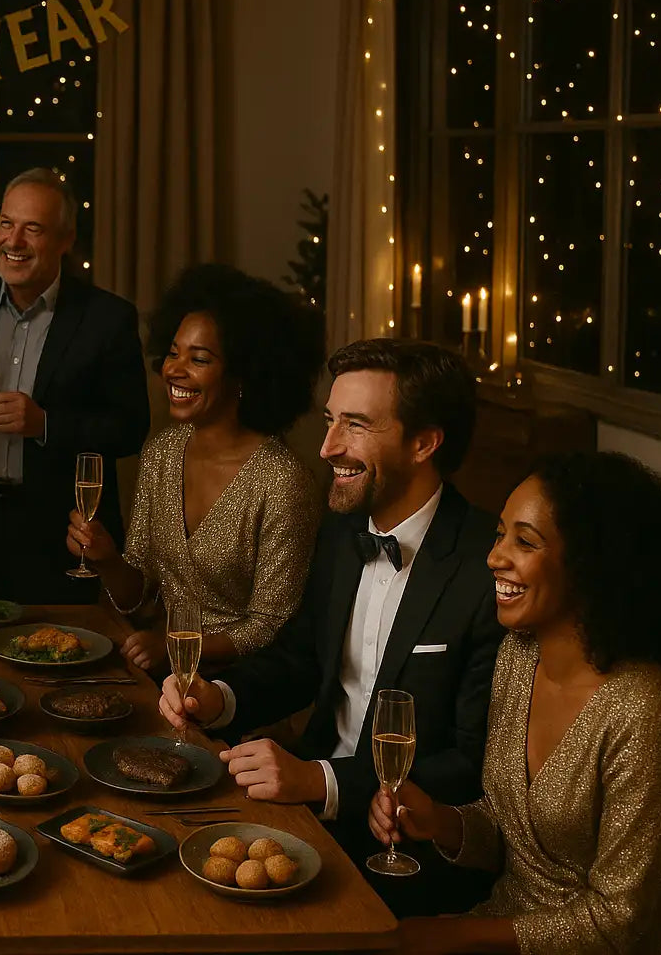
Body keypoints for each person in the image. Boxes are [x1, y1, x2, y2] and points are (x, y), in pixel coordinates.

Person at [160, 338, 503, 916]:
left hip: (411, 850)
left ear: (424, 443)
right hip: (306, 814)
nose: (326, 448)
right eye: (329, 421)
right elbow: (300, 660)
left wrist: (322, 781)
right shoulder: (345, 529)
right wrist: (217, 698)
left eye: (356, 425)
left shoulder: (487, 566)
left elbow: (473, 760)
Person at [368, 452, 661, 954]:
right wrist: (440, 820)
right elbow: (511, 829)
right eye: (499, 534)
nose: (494, 557)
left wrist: (455, 933)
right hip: (498, 924)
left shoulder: (646, 708)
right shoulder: (518, 655)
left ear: (590, 564)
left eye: (525, 541)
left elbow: (622, 919)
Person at [65, 264, 324, 666]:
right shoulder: (163, 452)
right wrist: (108, 560)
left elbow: (271, 626)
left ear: (242, 374)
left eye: (198, 359)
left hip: (243, 691)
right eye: (172, 353)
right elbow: (143, 597)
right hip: (161, 674)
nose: (173, 370)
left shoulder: (283, 481)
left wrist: (176, 646)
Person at [0, 168, 149, 603]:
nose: (14, 241)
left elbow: (129, 429)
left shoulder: (107, 319)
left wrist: (45, 424)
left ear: (65, 240)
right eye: (7, 224)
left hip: (57, 538)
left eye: (33, 229)